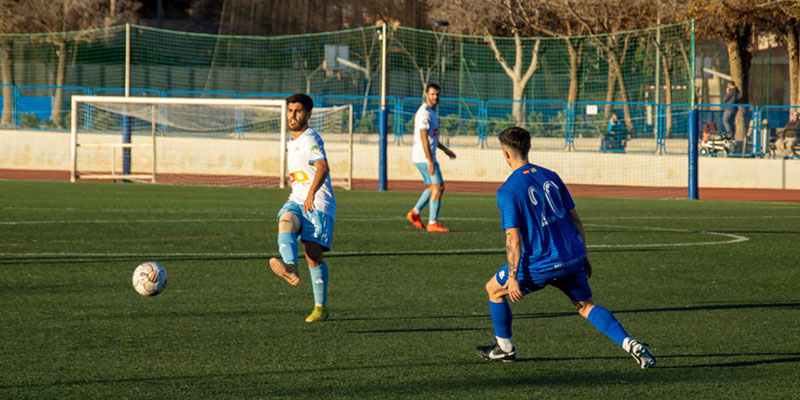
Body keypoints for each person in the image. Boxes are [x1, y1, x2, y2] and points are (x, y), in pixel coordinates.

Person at [475, 126, 655, 369]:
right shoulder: (551, 175)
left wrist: (514, 277)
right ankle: (629, 343)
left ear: (505, 154)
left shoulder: (508, 190)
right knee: (586, 306)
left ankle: (504, 348)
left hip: (539, 263)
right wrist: (584, 256)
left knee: (494, 290)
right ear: (528, 148)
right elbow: (576, 219)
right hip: (571, 256)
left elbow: (513, 239)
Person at [269, 93, 336, 323]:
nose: (292, 115)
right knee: (285, 220)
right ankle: (290, 267)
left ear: (308, 114)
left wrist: (310, 193)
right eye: (290, 111)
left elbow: (323, 166)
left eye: (298, 111)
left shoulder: (310, 138)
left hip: (318, 202)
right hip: (298, 199)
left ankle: (321, 307)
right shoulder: (293, 141)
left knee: (312, 254)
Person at [406, 83, 457, 233]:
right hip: (424, 157)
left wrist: (445, 150)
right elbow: (423, 139)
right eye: (432, 94)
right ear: (426, 95)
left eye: (437, 94)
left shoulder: (431, 111)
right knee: (439, 187)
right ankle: (432, 223)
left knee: (434, 187)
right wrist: (430, 161)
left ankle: (415, 213)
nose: (435, 97)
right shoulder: (424, 114)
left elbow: (431, 138)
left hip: (424, 156)